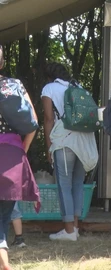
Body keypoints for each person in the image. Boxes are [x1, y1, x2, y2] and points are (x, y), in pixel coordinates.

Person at [42, 63, 98, 241]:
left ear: (48, 76)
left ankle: (68, 231)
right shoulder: (78, 87)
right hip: (83, 141)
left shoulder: (49, 88)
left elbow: (48, 118)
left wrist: (48, 145)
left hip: (63, 140)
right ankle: (74, 227)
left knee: (64, 184)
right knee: (77, 184)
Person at [0, 44, 39, 270]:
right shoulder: (14, 85)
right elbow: (32, 124)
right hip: (12, 158)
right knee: (3, 218)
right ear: (3, 62)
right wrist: (21, 149)